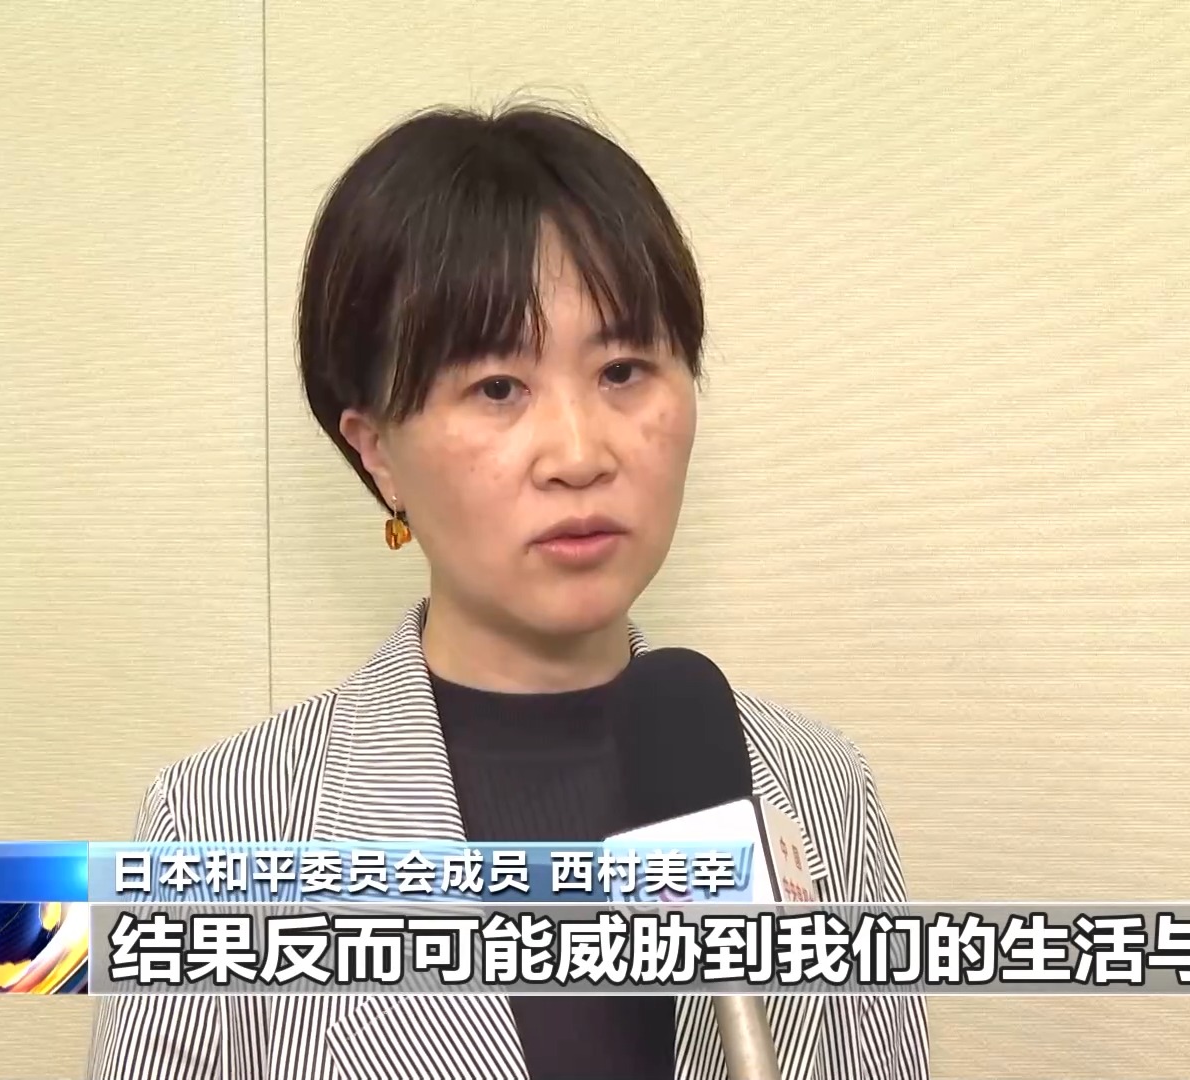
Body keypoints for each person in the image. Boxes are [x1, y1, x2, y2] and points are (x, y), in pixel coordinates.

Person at [88, 102, 929, 1080]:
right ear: (377, 452)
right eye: (497, 388)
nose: (578, 453)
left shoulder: (822, 791)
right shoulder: (217, 831)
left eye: (624, 370)